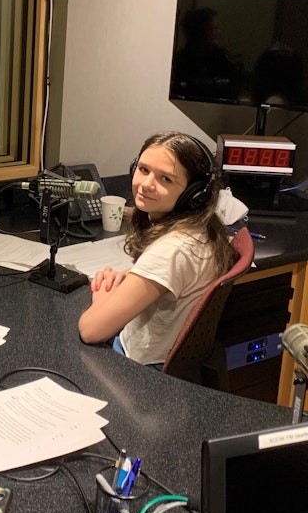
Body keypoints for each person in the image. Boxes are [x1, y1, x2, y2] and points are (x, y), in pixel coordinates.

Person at [78, 131, 235, 367]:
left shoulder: (172, 249)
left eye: (166, 179)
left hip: (137, 369)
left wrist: (102, 298)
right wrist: (131, 280)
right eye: (143, 170)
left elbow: (91, 331)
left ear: (194, 194)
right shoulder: (202, 229)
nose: (147, 184)